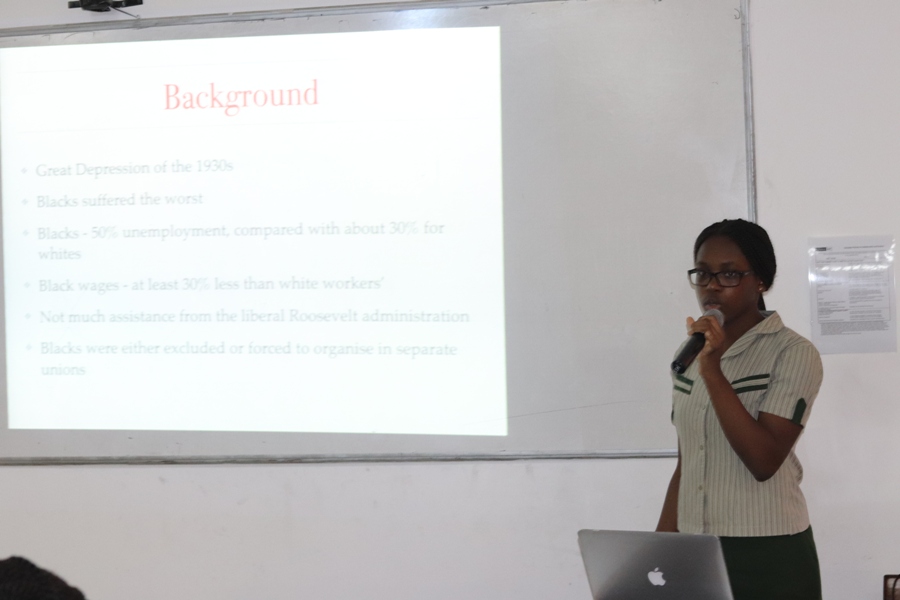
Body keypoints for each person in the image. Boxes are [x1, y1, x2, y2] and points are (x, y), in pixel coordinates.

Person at [656, 219, 824, 600]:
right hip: (697, 550)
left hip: (768, 556)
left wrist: (713, 370)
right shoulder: (689, 354)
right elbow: (687, 464)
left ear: (761, 281)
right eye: (703, 273)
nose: (712, 286)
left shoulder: (793, 353)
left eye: (729, 274)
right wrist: (660, 551)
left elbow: (763, 461)